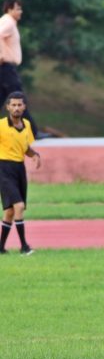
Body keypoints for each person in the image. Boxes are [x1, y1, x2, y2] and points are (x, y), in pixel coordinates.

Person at [0, 91, 40, 255]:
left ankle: (1, 248)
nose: (16, 108)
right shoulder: (1, 125)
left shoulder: (27, 125)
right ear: (8, 107)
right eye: (13, 105)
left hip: (19, 169)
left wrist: (35, 155)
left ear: (24, 107)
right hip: (3, 169)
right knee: (19, 206)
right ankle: (24, 246)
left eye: (19, 105)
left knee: (10, 212)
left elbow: (25, 148)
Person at [0, 0, 37, 139]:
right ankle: (32, 131)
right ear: (9, 9)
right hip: (6, 67)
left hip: (4, 68)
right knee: (18, 98)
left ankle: (31, 130)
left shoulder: (6, 21)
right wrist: (2, 55)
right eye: (18, 9)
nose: (20, 12)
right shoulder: (8, 22)